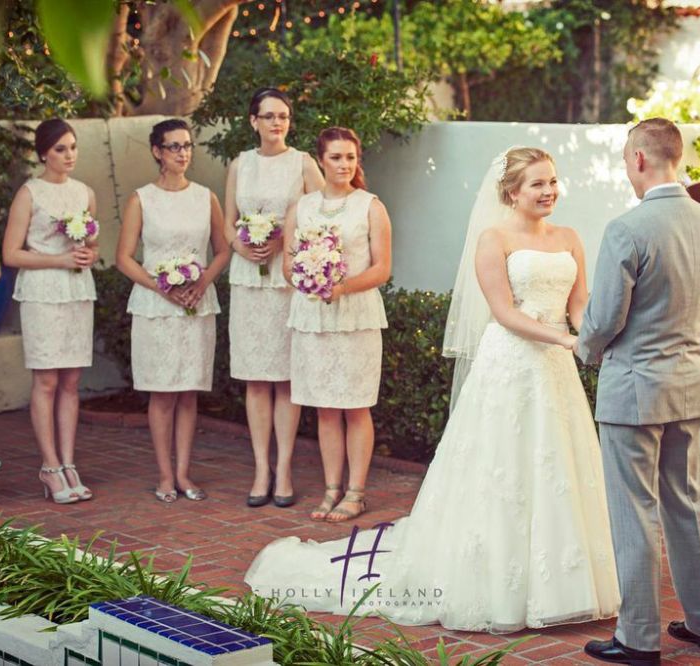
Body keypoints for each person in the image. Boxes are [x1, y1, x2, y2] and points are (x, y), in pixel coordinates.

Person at [245, 146, 620, 632]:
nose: (549, 191)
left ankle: (562, 584)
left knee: (559, 467)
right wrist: (566, 340)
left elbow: (578, 302)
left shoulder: (569, 238)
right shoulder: (493, 238)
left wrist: (598, 334)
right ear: (512, 191)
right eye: (538, 184)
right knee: (503, 470)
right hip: (510, 366)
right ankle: (500, 583)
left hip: (555, 372)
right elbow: (505, 314)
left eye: (552, 182)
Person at [579, 119, 700, 666]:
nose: (626, 168)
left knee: (634, 511)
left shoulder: (627, 228)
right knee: (690, 504)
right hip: (689, 384)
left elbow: (602, 320)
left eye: (625, 159)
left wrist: (584, 350)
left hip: (634, 388)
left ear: (640, 158)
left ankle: (638, 638)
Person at [115, 118, 231, 503]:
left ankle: (184, 473)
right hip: (155, 307)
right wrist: (160, 286)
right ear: (157, 152)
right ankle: (164, 475)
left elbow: (223, 249)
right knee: (163, 394)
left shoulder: (205, 197)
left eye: (187, 146)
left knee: (188, 393)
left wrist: (201, 283)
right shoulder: (141, 199)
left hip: (197, 305)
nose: (183, 153)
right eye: (174, 147)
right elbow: (124, 258)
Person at [281, 127, 390, 522]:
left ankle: (356, 493)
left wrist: (341, 287)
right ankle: (330, 489)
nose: (344, 165)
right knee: (325, 407)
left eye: (350, 157)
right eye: (336, 158)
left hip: (356, 316)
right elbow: (287, 265)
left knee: (355, 406)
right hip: (314, 317)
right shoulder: (302, 207)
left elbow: (382, 269)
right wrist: (308, 279)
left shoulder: (370, 206)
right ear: (321, 160)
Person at [223, 89, 324, 508]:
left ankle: (284, 469)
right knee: (255, 379)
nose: (277, 123)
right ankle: (260, 468)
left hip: (286, 281)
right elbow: (227, 223)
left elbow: (322, 214)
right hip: (248, 281)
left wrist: (289, 238)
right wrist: (241, 246)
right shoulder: (239, 165)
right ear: (253, 122)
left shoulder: (303, 163)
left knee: (285, 377)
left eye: (283, 116)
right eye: (269, 116)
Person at [3, 119, 98, 504]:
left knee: (72, 381)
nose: (69, 155)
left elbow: (90, 244)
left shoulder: (85, 193)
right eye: (60, 149)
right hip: (42, 292)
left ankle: (69, 462)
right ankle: (49, 464)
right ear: (44, 153)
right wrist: (59, 259)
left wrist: (88, 254)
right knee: (46, 381)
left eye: (73, 147)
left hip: (76, 291)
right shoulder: (30, 193)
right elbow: (11, 253)